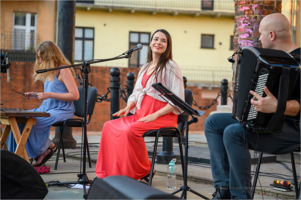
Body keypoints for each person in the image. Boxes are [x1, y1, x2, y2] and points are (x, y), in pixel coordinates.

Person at [204, 13, 300, 199]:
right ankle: (223, 190)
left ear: (271, 35)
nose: (259, 39)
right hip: (269, 122)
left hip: (293, 128)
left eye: (261, 34)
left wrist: (277, 106)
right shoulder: (270, 58)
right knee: (213, 122)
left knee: (233, 132)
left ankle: (240, 197)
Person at [95, 29, 184, 184]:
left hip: (162, 117)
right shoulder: (145, 67)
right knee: (109, 126)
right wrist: (128, 107)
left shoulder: (170, 66)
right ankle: (111, 173)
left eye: (163, 40)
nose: (159, 43)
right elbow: (136, 93)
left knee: (130, 131)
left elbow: (177, 99)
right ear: (150, 43)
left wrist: (156, 115)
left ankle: (145, 169)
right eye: (156, 39)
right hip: (142, 115)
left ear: (168, 46)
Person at [6, 41, 79, 167]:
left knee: (32, 122)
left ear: (50, 55)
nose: (39, 61)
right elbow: (52, 93)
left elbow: (75, 95)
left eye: (41, 57)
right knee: (17, 120)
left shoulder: (63, 70)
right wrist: (35, 94)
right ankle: (15, 158)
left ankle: (43, 149)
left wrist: (49, 95)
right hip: (47, 108)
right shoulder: (50, 71)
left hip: (61, 111)